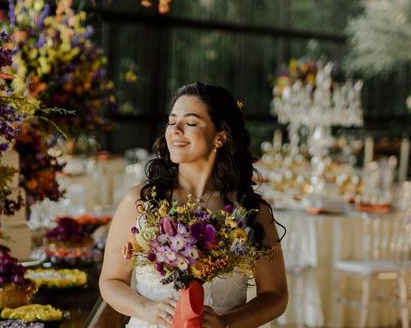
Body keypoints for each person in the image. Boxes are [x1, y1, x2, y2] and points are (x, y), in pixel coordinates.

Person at [100, 82, 288, 328]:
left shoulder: (250, 210)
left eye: (190, 123)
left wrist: (226, 322)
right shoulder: (140, 202)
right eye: (171, 121)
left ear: (220, 136)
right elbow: (110, 281)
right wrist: (145, 308)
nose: (175, 130)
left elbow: (276, 296)